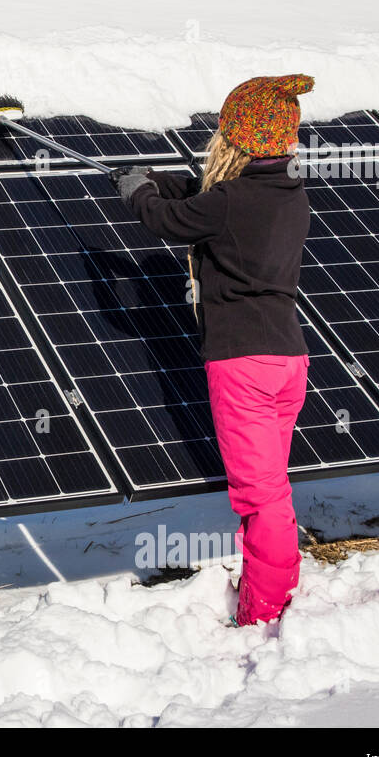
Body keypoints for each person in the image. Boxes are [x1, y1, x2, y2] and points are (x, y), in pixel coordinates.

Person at [116, 74, 314, 626]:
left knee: (261, 496)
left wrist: (138, 192)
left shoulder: (229, 200)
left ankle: (266, 613)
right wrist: (159, 180)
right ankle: (274, 588)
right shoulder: (288, 195)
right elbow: (204, 201)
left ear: (238, 136)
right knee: (271, 487)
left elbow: (171, 219)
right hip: (288, 361)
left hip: (243, 366)